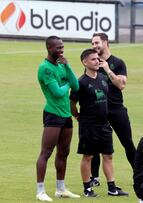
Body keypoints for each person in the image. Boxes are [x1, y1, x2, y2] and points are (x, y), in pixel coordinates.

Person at [70, 49, 129, 197]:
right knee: (88, 156)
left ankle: (112, 188)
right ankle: (87, 188)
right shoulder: (80, 82)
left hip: (104, 124)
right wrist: (77, 116)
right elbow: (72, 103)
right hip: (88, 125)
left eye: (97, 59)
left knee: (108, 155)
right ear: (84, 62)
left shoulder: (103, 78)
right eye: (93, 59)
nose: (97, 61)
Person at [36, 36, 80, 201]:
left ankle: (60, 189)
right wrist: (67, 84)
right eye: (58, 48)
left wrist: (68, 66)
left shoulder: (62, 65)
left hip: (66, 115)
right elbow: (58, 92)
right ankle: (40, 191)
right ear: (49, 48)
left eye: (62, 47)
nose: (61, 51)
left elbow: (76, 86)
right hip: (53, 114)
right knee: (46, 152)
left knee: (64, 152)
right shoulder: (45, 68)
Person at [90, 32, 136, 186]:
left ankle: (140, 174)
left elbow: (121, 85)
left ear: (106, 42)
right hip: (98, 111)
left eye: (97, 43)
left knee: (127, 143)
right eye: (92, 44)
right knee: (95, 146)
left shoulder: (118, 62)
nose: (94, 46)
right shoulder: (92, 63)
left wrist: (108, 70)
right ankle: (94, 178)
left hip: (116, 109)